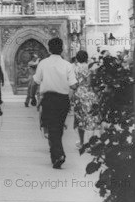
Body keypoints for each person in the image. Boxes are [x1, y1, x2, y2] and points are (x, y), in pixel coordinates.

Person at [34, 38, 77, 169]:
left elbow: (36, 81)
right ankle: (57, 155)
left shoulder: (43, 63)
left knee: (52, 128)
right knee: (58, 127)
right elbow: (74, 86)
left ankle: (58, 155)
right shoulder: (67, 65)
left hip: (48, 99)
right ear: (62, 49)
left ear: (49, 49)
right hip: (63, 100)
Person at [72, 50, 99, 149]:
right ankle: (91, 144)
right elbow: (92, 82)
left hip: (79, 94)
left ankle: (82, 142)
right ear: (86, 57)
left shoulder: (74, 68)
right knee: (90, 119)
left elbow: (73, 83)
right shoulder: (91, 67)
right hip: (90, 93)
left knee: (80, 119)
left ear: (77, 58)